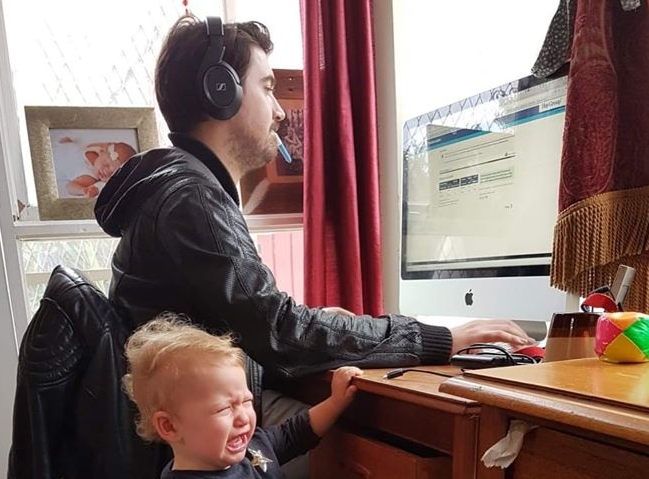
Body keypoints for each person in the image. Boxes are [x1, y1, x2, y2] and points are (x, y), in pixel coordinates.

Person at [95, 14, 531, 476]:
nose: (280, 111)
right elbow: (282, 332)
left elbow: (261, 320)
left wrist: (320, 323)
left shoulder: (182, 186)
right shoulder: (193, 199)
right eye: (266, 87)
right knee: (365, 438)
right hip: (197, 444)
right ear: (221, 93)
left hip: (187, 423)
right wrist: (439, 338)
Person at [123, 314, 363, 478]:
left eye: (246, 401)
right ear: (170, 426)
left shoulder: (253, 446)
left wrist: (335, 402)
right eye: (224, 409)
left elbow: (295, 432)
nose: (243, 417)